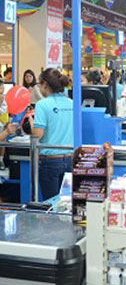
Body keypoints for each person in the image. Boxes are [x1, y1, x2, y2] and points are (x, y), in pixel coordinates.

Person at [29, 68, 74, 200]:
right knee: (66, 202)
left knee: (51, 203)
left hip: (50, 162)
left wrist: (31, 123)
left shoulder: (42, 105)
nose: (38, 87)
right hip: (70, 160)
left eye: (39, 84)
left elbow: (37, 135)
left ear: (45, 84)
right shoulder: (71, 103)